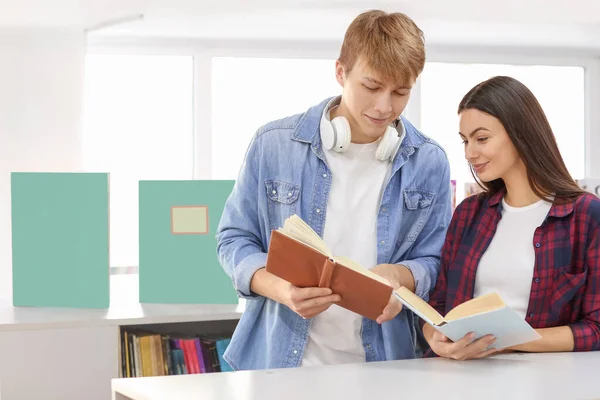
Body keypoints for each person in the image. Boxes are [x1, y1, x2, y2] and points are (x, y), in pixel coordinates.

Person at [216, 9, 452, 371]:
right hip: (281, 365)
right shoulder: (273, 145)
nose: (384, 107)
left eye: (400, 92)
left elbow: (436, 261)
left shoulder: (429, 161)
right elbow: (233, 240)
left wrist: (401, 279)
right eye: (371, 87)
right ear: (341, 72)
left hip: (386, 366)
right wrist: (283, 291)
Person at [422, 75, 600, 360]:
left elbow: (596, 328)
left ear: (521, 133)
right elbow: (439, 306)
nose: (469, 153)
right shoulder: (468, 214)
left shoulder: (587, 216)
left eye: (481, 139)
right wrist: (436, 339)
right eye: (465, 141)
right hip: (458, 376)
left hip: (545, 382)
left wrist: (506, 341)